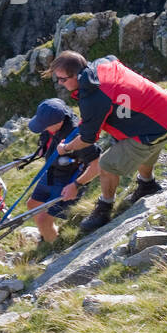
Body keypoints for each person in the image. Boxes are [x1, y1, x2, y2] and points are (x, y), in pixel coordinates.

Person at [47, 51, 167, 233]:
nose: (60, 84)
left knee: (107, 164)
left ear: (77, 75)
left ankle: (104, 209)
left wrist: (66, 148)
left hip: (156, 125)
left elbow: (87, 139)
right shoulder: (103, 63)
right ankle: (147, 184)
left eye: (63, 79)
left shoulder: (93, 96)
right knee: (137, 146)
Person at [23, 99, 100, 242]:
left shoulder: (79, 137)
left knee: (43, 220)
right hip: (53, 172)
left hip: (70, 179)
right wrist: (43, 149)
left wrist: (76, 185)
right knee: (32, 205)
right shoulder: (53, 123)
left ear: (58, 122)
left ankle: (51, 246)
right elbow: (46, 138)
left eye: (45, 126)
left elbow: (97, 166)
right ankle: (49, 233)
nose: (44, 129)